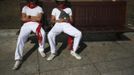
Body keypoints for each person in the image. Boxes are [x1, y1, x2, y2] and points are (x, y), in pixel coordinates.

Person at [12, 0, 46, 70]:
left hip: (36, 24)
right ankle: (18, 58)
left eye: (33, 1)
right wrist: (34, 17)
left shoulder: (39, 8)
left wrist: (29, 17)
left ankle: (41, 49)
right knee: (20, 38)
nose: (32, 2)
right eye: (30, 1)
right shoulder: (25, 8)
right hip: (26, 25)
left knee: (43, 33)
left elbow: (39, 19)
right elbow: (23, 19)